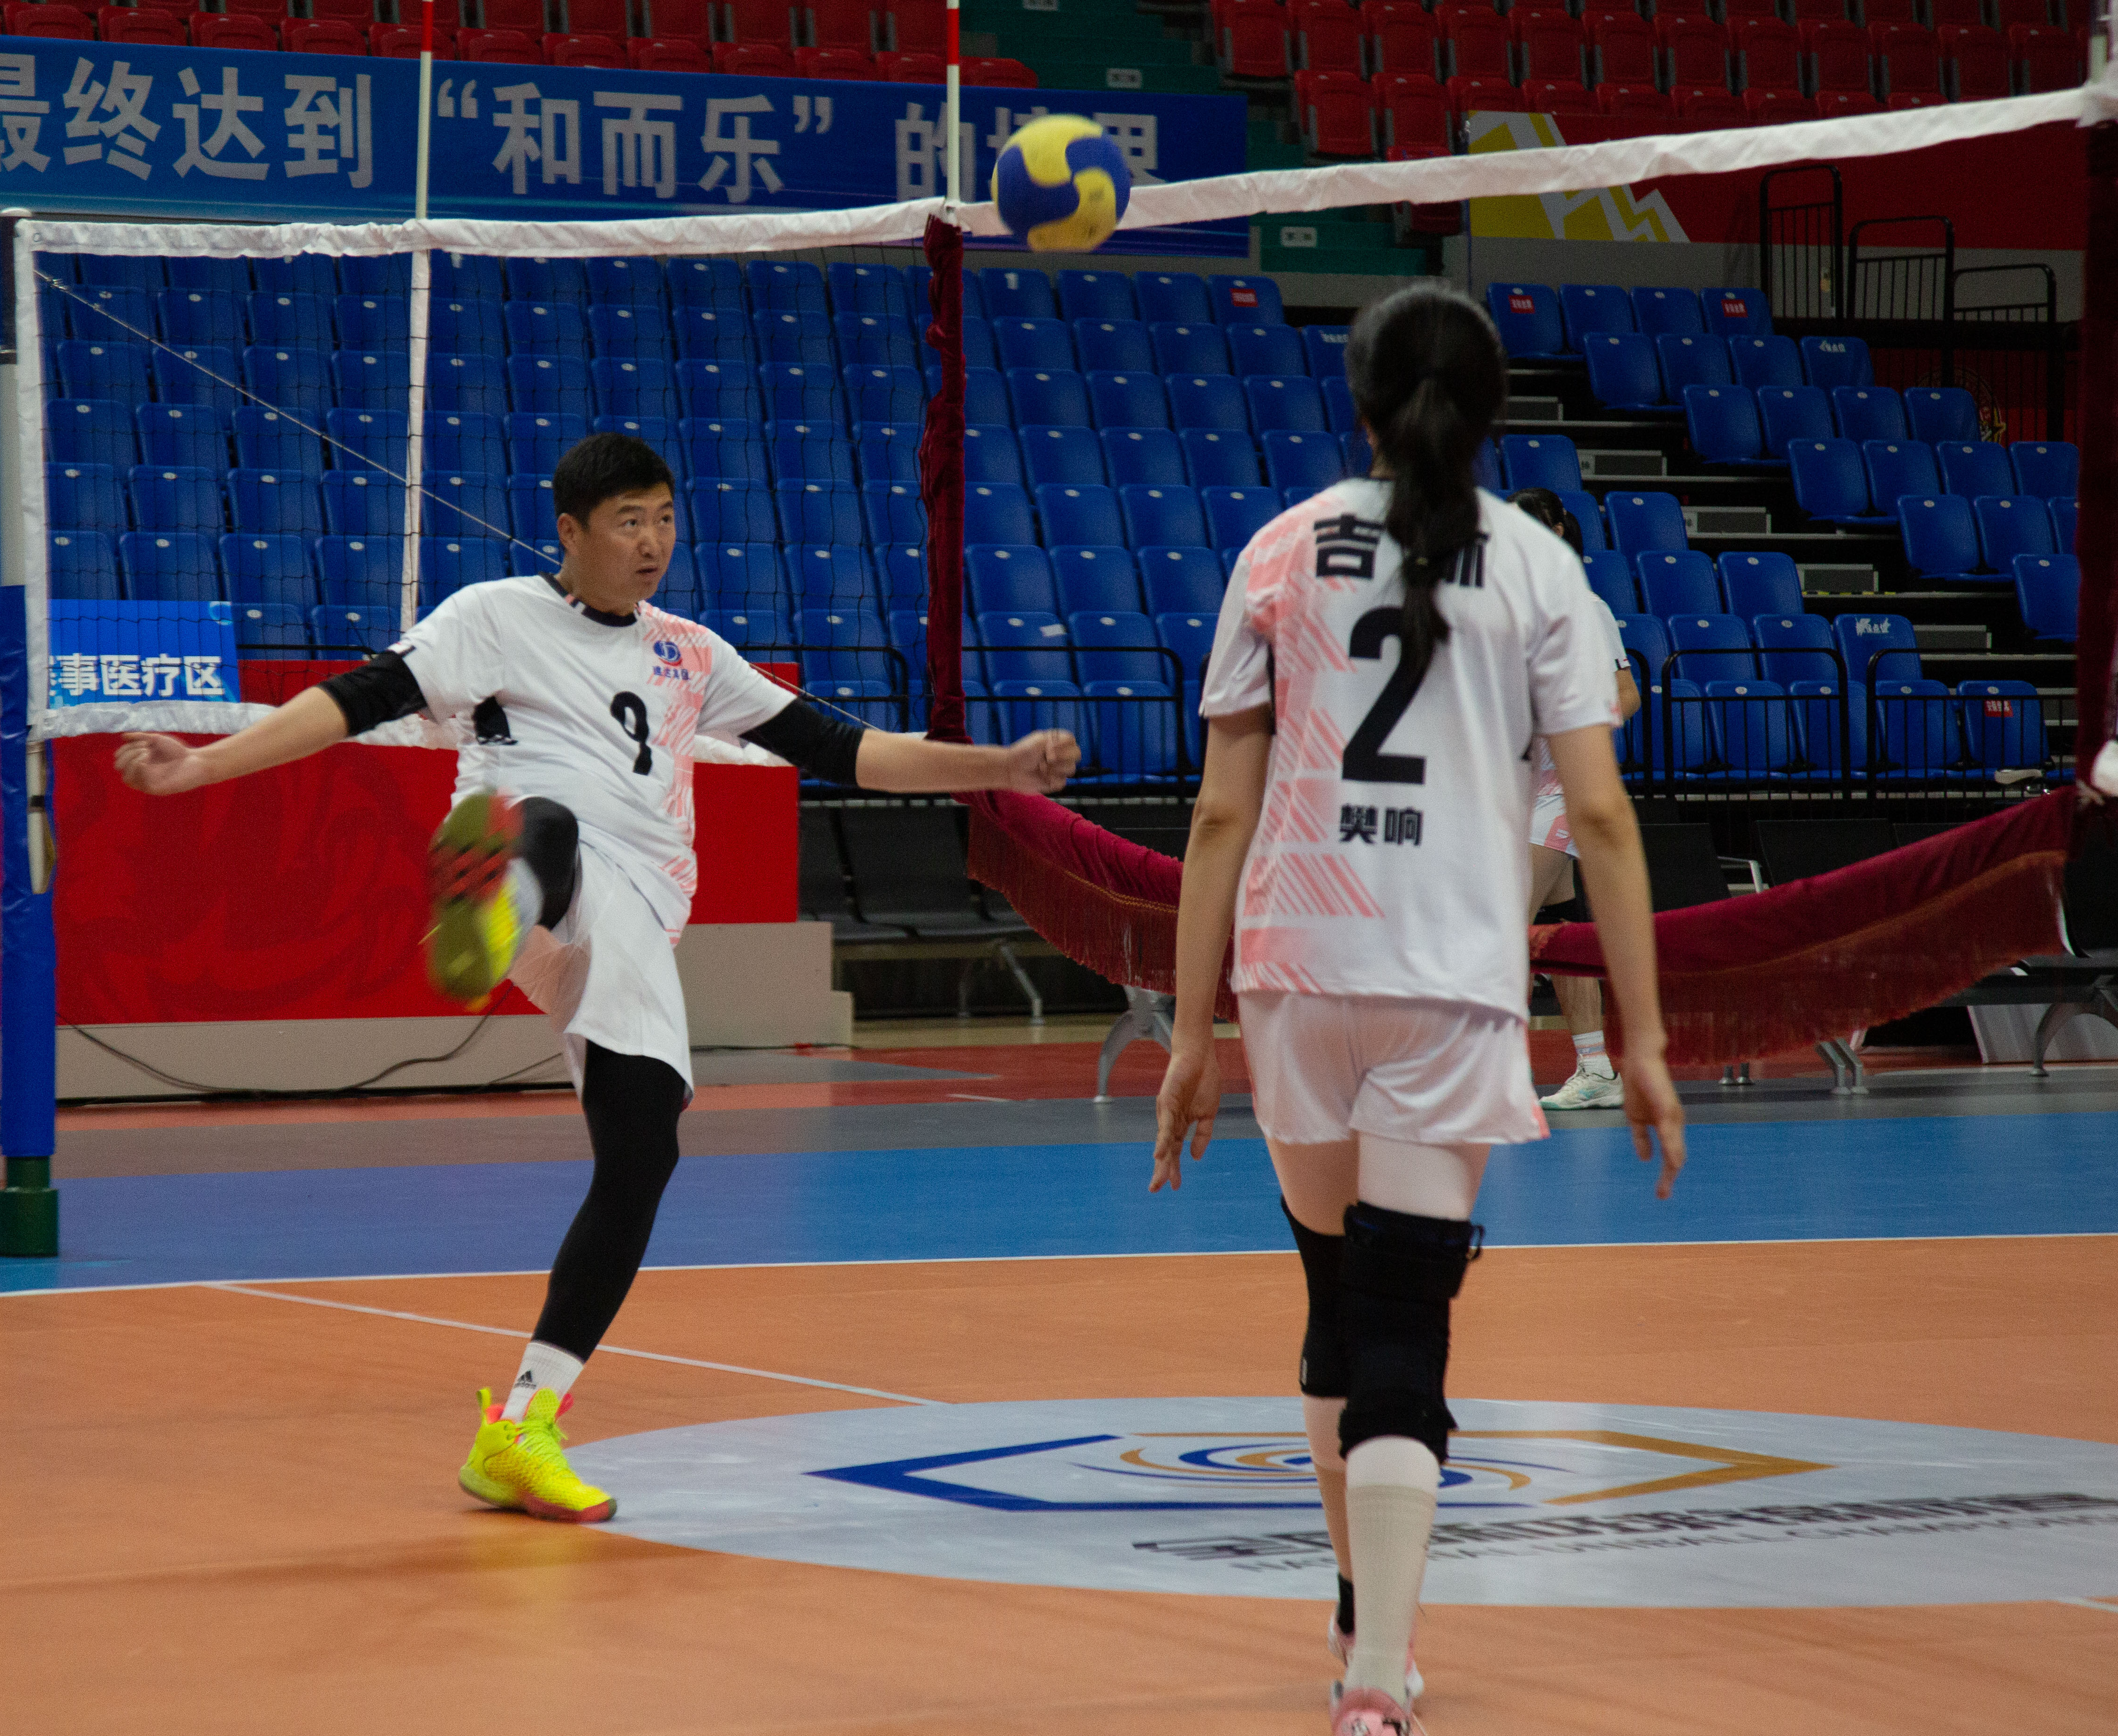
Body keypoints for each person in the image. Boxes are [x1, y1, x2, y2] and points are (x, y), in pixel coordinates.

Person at [114, 432, 1080, 1525]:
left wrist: (994, 771)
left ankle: (521, 1428)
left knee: (644, 1149)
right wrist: (201, 765)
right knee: (551, 822)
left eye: (664, 517)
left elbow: (846, 748)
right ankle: (492, 895)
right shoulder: (490, 616)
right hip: (544, 853)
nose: (652, 542)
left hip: (632, 923)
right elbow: (357, 698)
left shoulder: (690, 654)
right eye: (627, 521)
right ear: (568, 532)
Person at [1146, 287, 1686, 1736]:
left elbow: (1216, 814)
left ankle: (1354, 1605)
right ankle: (1378, 1671)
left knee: (1339, 1300)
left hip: (1296, 972)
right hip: (1448, 979)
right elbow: (1602, 819)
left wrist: (1190, 1035)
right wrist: (1637, 1039)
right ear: (1492, 407)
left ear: (1363, 405)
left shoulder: (1279, 548)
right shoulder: (1537, 567)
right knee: (1405, 1322)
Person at [1504, 487, 1642, 1110]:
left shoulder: (1582, 607)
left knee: (1504, 927)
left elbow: (1627, 694)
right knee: (1555, 932)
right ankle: (1596, 1069)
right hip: (1516, 787)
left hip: (1561, 788)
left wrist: (1573, 734)